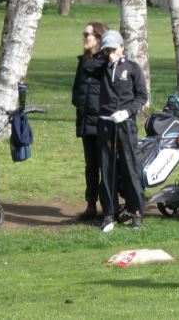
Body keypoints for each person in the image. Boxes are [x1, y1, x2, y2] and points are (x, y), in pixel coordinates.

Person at [83, 30, 148, 232]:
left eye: (113, 49)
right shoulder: (101, 67)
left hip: (125, 123)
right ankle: (109, 213)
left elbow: (142, 96)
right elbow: (87, 66)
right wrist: (98, 53)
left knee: (130, 166)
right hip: (105, 123)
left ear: (122, 48)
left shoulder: (132, 68)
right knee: (107, 168)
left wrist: (127, 112)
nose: (111, 54)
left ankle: (136, 211)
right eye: (107, 50)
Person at [72, 22, 108, 221]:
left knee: (106, 165)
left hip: (102, 122)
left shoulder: (105, 62)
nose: (84, 38)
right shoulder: (82, 62)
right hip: (86, 122)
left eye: (88, 34)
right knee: (91, 166)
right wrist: (79, 103)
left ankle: (107, 206)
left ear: (98, 37)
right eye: (83, 34)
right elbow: (76, 90)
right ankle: (90, 205)